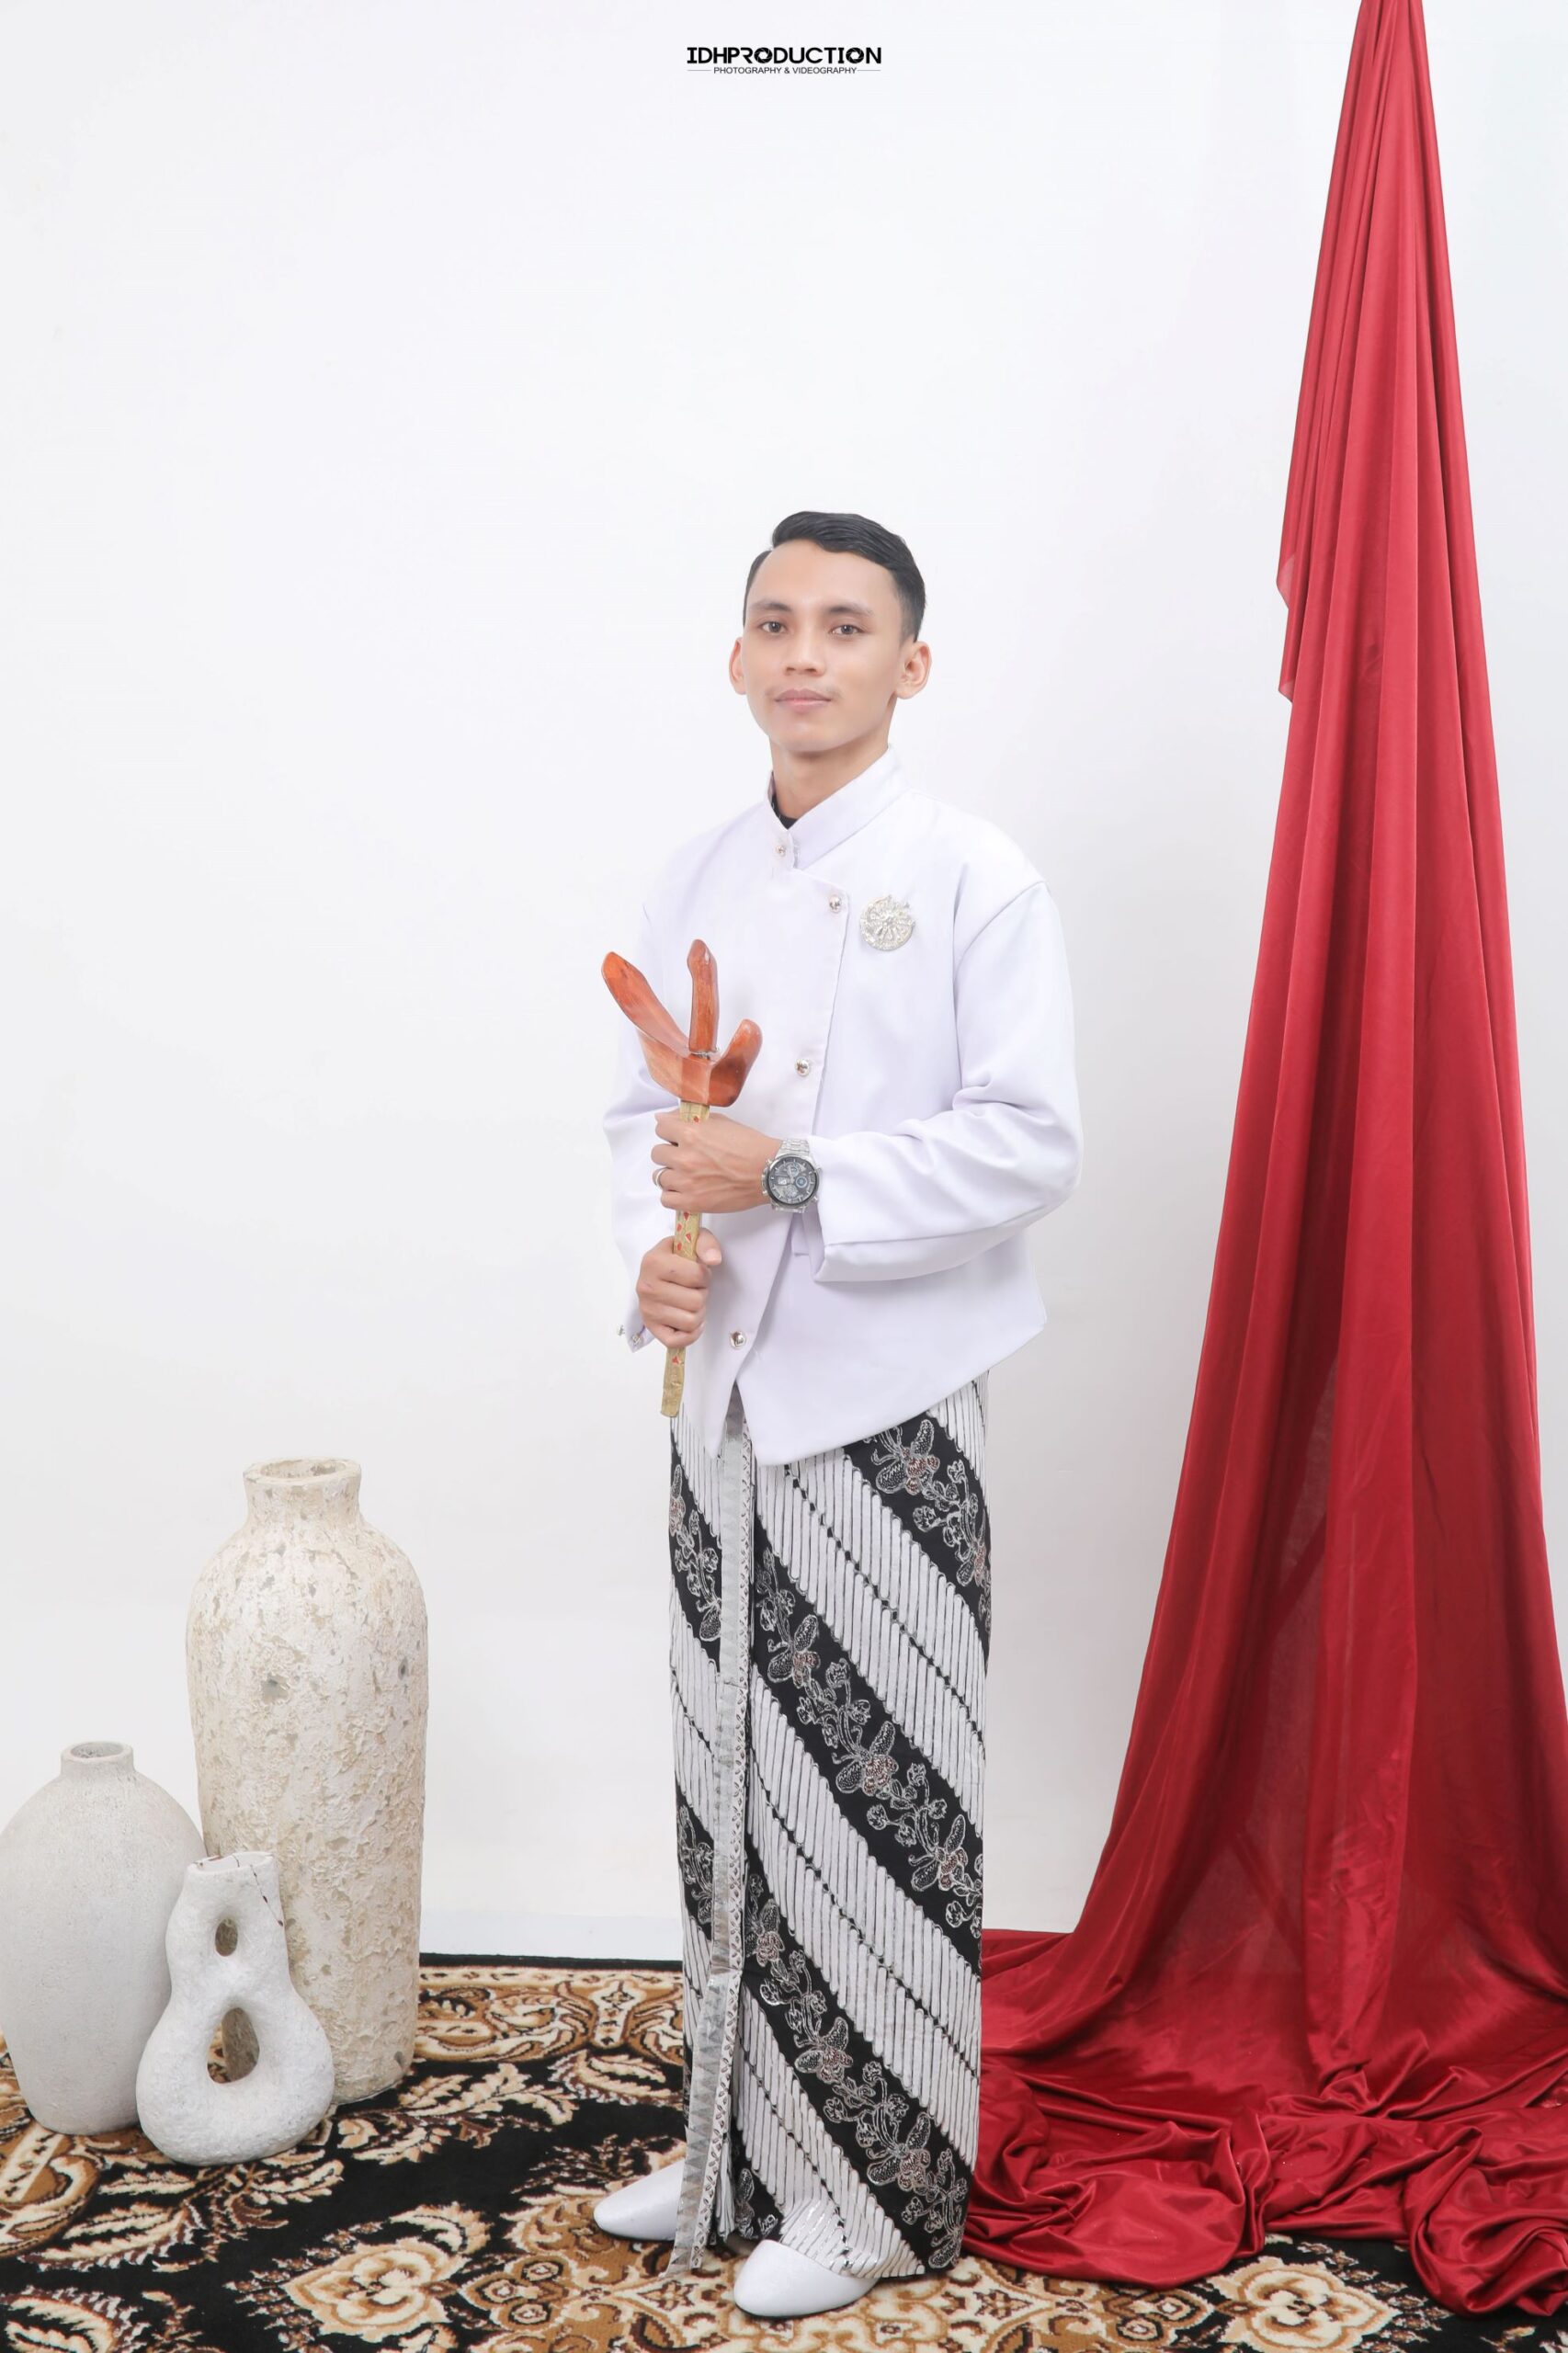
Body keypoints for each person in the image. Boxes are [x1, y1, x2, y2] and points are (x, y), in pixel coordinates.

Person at [597, 508, 1084, 2321]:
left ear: (909, 663)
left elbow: (1028, 1143)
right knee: (725, 1779)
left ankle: (869, 2188)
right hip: (719, 1391)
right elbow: (636, 1124)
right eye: (775, 621)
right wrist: (648, 1262)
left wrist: (789, 1174)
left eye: (846, 625)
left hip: (888, 1397)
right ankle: (732, 2144)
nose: (805, 654)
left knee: (875, 1791)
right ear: (737, 657)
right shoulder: (693, 872)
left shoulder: (972, 875)